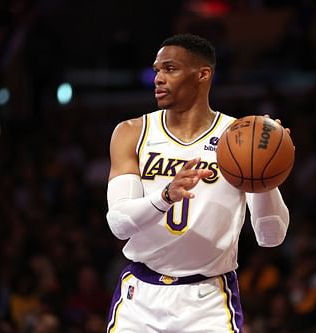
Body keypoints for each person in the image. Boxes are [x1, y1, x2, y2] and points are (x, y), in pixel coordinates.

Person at [105, 33, 291, 333]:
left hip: (208, 300)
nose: (159, 79)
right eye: (157, 70)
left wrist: (267, 172)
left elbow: (271, 237)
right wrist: (165, 196)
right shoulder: (131, 132)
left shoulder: (240, 138)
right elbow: (119, 224)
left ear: (203, 74)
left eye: (170, 69)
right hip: (140, 296)